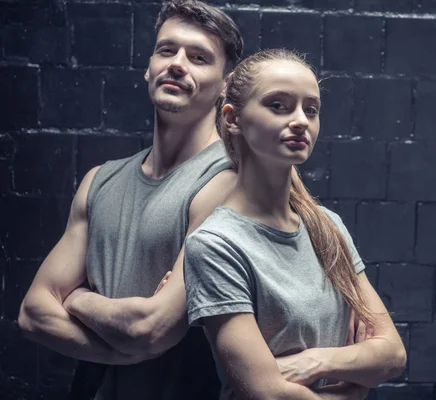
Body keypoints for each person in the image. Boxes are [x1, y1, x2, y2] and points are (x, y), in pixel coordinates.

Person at [17, 1, 243, 399]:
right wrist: (123, 354)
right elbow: (33, 312)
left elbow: (150, 330)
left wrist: (79, 298)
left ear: (226, 82)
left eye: (198, 57)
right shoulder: (99, 181)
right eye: (166, 50)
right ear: (148, 67)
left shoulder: (228, 181)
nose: (176, 63)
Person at [183, 48, 407, 400]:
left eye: (311, 109)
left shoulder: (327, 227)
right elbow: (269, 393)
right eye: (279, 105)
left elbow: (392, 354)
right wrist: (353, 388)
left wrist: (314, 361)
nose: (301, 120)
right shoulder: (215, 244)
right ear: (232, 119)